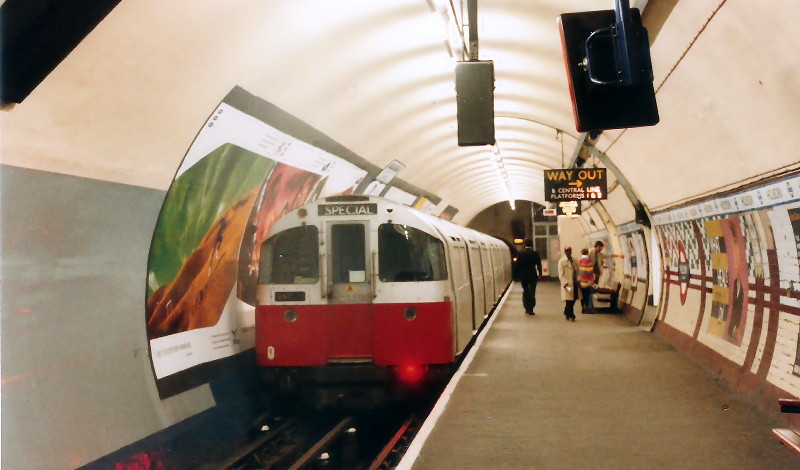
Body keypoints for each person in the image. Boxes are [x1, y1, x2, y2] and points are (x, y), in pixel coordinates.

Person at [587, 240, 624, 311]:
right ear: (597, 246)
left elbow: (609, 255)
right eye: (600, 248)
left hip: (596, 275)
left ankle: (589, 306)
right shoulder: (590, 252)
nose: (601, 249)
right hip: (590, 274)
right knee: (590, 290)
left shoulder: (600, 254)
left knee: (591, 290)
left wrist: (619, 255)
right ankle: (589, 306)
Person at [516, 238, 543, 315]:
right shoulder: (535, 253)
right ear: (532, 244)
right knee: (532, 292)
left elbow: (517, 265)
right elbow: (539, 264)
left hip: (523, 276)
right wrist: (540, 274)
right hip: (532, 275)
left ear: (525, 245)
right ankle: (531, 308)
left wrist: (517, 275)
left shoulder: (520, 253)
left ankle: (526, 307)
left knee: (525, 291)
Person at [558, 246, 578, 322]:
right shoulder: (562, 261)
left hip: (575, 282)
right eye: (567, 251)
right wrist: (564, 282)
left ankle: (566, 311)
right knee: (569, 299)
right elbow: (561, 273)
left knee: (574, 298)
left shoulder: (575, 260)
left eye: (569, 251)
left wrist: (579, 279)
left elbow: (577, 271)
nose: (568, 252)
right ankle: (571, 314)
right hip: (567, 284)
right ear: (565, 252)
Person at [577, 248, 595, 314]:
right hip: (587, 282)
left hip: (580, 281)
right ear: (587, 253)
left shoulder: (579, 261)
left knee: (582, 295)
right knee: (587, 295)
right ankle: (587, 308)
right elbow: (590, 272)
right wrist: (592, 280)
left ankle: (583, 307)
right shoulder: (588, 262)